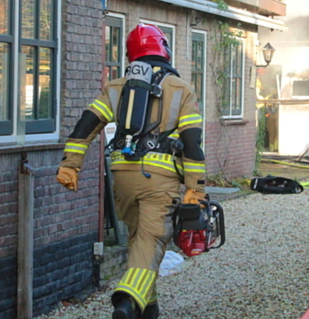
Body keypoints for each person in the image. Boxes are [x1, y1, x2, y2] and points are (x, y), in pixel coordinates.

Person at [56, 24, 206, 319]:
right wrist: (195, 187)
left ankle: (148, 310)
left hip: (122, 176)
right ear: (164, 48)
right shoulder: (181, 89)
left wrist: (70, 164)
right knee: (152, 241)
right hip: (159, 181)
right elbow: (192, 142)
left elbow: (86, 124)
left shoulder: (116, 87)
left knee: (139, 239)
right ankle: (126, 300)